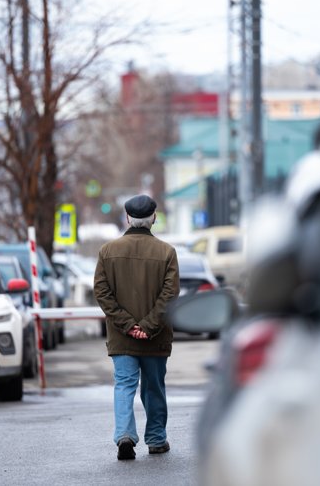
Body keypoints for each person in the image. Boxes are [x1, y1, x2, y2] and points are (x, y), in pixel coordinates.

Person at [93, 194, 180, 460]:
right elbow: (170, 295)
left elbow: (102, 292)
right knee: (153, 386)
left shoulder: (108, 252)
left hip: (122, 337)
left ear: (128, 218)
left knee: (124, 385)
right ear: (154, 218)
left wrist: (128, 326)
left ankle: (125, 437)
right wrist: (148, 326)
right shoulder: (167, 252)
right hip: (155, 337)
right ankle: (156, 439)